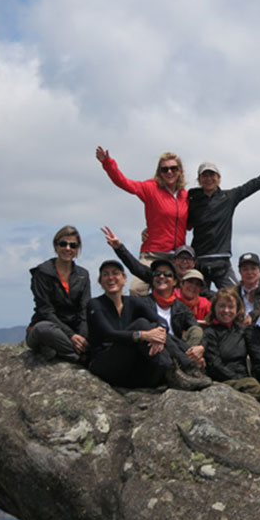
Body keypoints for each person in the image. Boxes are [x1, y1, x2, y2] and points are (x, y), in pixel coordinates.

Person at [187, 145, 260, 291]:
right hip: (199, 261)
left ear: (218, 178)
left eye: (212, 175)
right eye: (205, 175)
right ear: (199, 179)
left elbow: (257, 182)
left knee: (235, 297)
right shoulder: (191, 199)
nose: (209, 179)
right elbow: (177, 219)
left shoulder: (229, 197)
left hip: (222, 262)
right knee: (194, 298)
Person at [87, 259, 209, 390]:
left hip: (131, 368)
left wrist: (158, 335)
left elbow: (161, 322)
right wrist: (143, 335)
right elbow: (109, 334)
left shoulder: (133, 302)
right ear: (100, 281)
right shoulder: (95, 304)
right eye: (105, 274)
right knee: (141, 323)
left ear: (124, 278)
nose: (111, 278)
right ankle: (175, 370)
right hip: (106, 363)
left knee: (154, 328)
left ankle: (189, 366)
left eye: (115, 273)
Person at [96, 148, 188, 296]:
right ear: (159, 172)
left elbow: (190, 223)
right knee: (137, 290)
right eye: (164, 169)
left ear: (180, 171)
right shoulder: (150, 188)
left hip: (176, 257)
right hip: (152, 253)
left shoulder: (186, 196)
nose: (169, 172)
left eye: (173, 168)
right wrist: (108, 163)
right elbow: (124, 182)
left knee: (182, 293)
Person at [26, 226, 90, 363]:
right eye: (63, 244)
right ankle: (80, 357)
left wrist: (82, 337)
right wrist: (71, 335)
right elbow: (45, 311)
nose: (68, 248)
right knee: (43, 330)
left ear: (77, 249)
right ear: (56, 246)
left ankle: (68, 351)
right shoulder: (42, 272)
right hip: (49, 327)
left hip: (73, 330)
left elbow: (84, 309)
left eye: (73, 245)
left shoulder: (83, 275)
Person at [145, 258, 208, 373]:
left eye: (167, 274)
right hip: (152, 351)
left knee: (197, 330)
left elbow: (196, 328)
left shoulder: (180, 307)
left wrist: (201, 348)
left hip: (176, 351)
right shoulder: (142, 303)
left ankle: (187, 365)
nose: (162, 276)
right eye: (157, 274)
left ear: (175, 281)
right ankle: (188, 366)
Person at [101, 225, 196, 286]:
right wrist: (119, 248)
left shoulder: (198, 284)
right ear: (174, 261)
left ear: (194, 263)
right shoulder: (163, 279)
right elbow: (137, 268)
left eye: (188, 259)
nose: (184, 262)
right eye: (181, 258)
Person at [236, 252, 260, 326]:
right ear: (240, 272)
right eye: (245, 269)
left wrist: (252, 315)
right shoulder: (234, 293)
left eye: (253, 269)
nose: (249, 273)